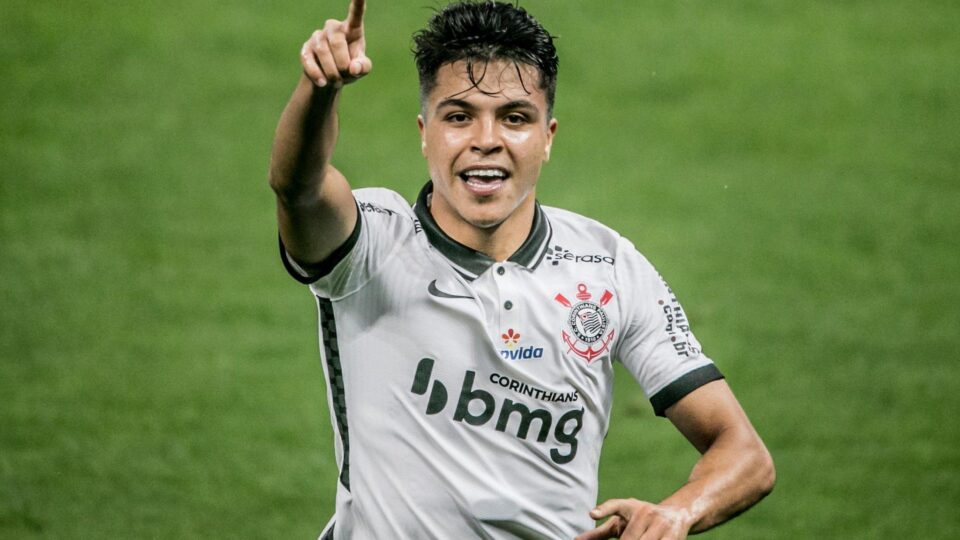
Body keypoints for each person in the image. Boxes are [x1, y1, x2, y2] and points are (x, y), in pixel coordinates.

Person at [268, 1, 775, 538]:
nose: (486, 140)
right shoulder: (372, 245)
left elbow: (745, 454)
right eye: (458, 116)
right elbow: (298, 187)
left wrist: (679, 511)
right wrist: (320, 90)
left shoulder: (609, 268)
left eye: (514, 117)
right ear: (424, 132)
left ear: (548, 136)